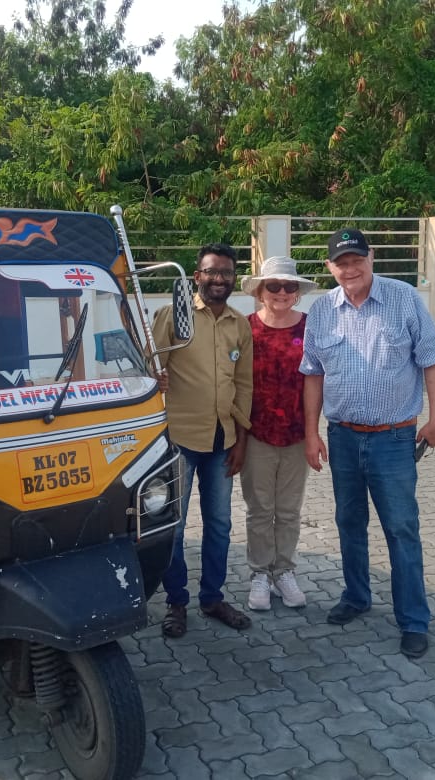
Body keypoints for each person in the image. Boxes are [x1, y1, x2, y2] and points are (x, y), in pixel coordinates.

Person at [300, 228, 435, 659]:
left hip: (394, 438)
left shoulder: (403, 299)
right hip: (342, 436)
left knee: (401, 529)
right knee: (349, 523)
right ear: (330, 268)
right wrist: (311, 433)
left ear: (371, 258)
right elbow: (312, 374)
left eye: (356, 260)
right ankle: (357, 596)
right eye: (340, 262)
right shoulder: (322, 311)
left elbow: (433, 360)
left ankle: (414, 620)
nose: (350, 269)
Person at [152, 243, 254, 639]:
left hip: (223, 441)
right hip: (178, 439)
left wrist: (241, 439)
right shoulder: (174, 316)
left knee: (220, 524)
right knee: (173, 528)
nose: (219, 279)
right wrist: (154, 378)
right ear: (197, 276)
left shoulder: (238, 324)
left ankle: (212, 597)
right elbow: (149, 362)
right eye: (212, 272)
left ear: (233, 279)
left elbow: (244, 384)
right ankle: (176, 602)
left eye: (226, 273)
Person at [237, 256, 316, 611]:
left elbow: (318, 380)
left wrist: (314, 433)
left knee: (288, 510)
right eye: (274, 286)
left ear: (297, 292)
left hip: (298, 433)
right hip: (256, 433)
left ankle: (283, 570)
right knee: (259, 509)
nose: (282, 292)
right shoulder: (245, 329)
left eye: (289, 286)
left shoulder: (310, 328)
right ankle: (259, 574)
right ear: (260, 291)